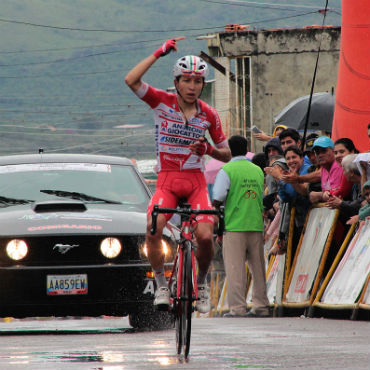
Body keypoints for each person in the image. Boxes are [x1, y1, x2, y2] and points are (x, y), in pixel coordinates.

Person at [125, 37, 231, 312]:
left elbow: (227, 154)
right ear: (176, 82)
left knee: (206, 236)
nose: (193, 87)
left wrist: (207, 148)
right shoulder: (161, 101)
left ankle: (203, 282)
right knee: (153, 226)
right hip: (168, 180)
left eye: (198, 82)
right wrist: (159, 53)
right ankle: (161, 284)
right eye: (187, 80)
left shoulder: (209, 114)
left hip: (195, 182)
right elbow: (131, 80)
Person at [212, 135, 269, 317]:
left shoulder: (226, 170)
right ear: (246, 149)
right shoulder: (257, 170)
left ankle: (237, 308)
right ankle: (261, 306)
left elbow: (218, 197)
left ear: (229, 149)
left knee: (235, 269)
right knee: (258, 268)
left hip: (234, 225)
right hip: (256, 223)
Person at [309, 136, 343, 204]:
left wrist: (319, 195)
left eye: (324, 151)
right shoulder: (324, 168)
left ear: (333, 151)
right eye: (317, 152)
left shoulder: (338, 165)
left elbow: (335, 195)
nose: (320, 155)